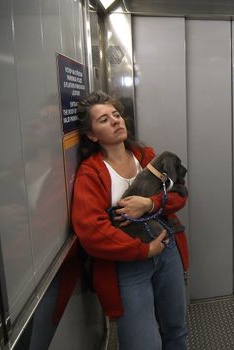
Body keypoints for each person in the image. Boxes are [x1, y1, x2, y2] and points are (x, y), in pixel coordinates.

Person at [71, 91, 189, 349]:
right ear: (92, 135)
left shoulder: (146, 157)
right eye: (104, 120)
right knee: (143, 344)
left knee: (176, 331)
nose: (116, 121)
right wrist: (143, 250)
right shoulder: (91, 173)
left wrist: (149, 204)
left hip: (167, 251)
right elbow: (92, 232)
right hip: (129, 264)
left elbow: (180, 193)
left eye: (116, 115)